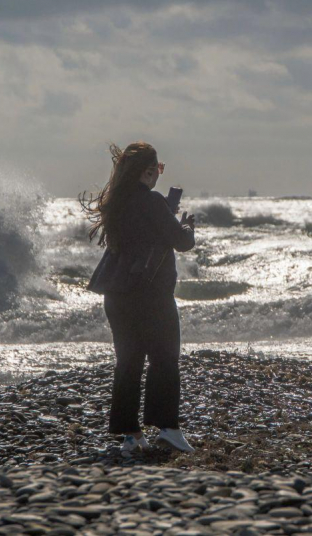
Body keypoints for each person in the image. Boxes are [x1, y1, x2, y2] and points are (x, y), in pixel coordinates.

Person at [80, 141, 196, 454]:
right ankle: (168, 428)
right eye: (158, 169)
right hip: (151, 294)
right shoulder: (153, 202)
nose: (159, 174)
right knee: (164, 359)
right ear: (147, 172)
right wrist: (187, 226)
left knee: (128, 362)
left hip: (117, 295)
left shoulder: (116, 202)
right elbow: (181, 242)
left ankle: (130, 435)